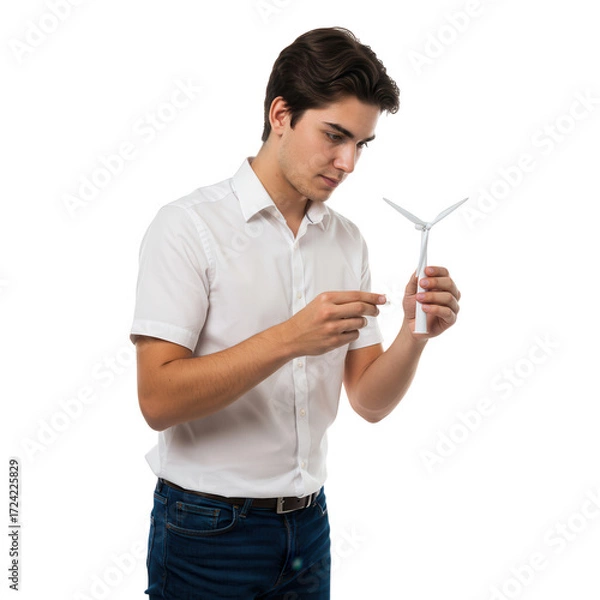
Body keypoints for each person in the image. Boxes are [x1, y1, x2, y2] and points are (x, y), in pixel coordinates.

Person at [130, 26, 461, 599]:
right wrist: (289, 338)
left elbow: (369, 400)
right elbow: (157, 401)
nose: (348, 161)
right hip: (207, 530)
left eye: (361, 143)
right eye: (335, 135)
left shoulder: (347, 241)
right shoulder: (187, 227)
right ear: (280, 114)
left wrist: (415, 332)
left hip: (309, 527)